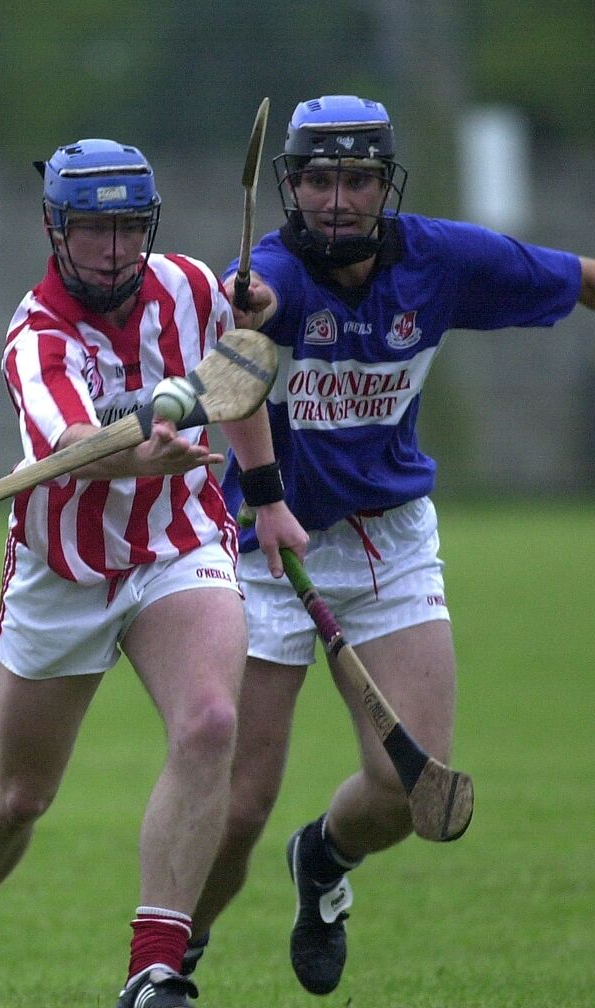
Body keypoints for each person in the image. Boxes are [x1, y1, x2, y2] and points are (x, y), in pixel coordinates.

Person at [187, 94, 595, 996]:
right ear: (291, 186)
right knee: (240, 802)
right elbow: (233, 381)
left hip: (391, 544)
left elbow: (578, 276)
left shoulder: (440, 260)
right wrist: (263, 493)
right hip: (267, 548)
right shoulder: (267, 278)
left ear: (386, 185)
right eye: (320, 179)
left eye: (358, 179)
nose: (338, 199)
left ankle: (324, 862)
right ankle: (174, 961)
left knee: (411, 789)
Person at [0, 138, 307, 1008]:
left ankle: (153, 972)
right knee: (18, 797)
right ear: (56, 228)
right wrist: (136, 452)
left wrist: (267, 496)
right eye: (95, 230)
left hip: (181, 542)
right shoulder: (35, 334)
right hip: (67, 568)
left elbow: (236, 379)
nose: (116, 250)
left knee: (207, 723)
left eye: (129, 228)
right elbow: (74, 451)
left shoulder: (195, 287)